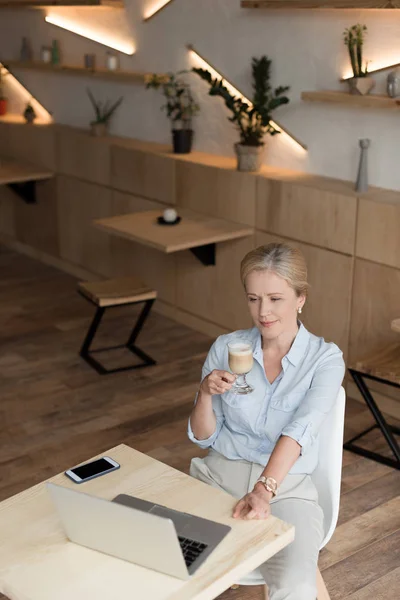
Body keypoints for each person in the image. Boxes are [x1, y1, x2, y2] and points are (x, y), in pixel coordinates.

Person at [188, 242, 345, 600]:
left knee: (296, 586)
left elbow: (300, 429)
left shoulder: (325, 359)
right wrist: (205, 394)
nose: (263, 312)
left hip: (285, 488)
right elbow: (202, 437)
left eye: (275, 299)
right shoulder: (227, 347)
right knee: (175, 565)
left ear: (300, 298)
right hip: (216, 479)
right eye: (254, 299)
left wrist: (264, 489)